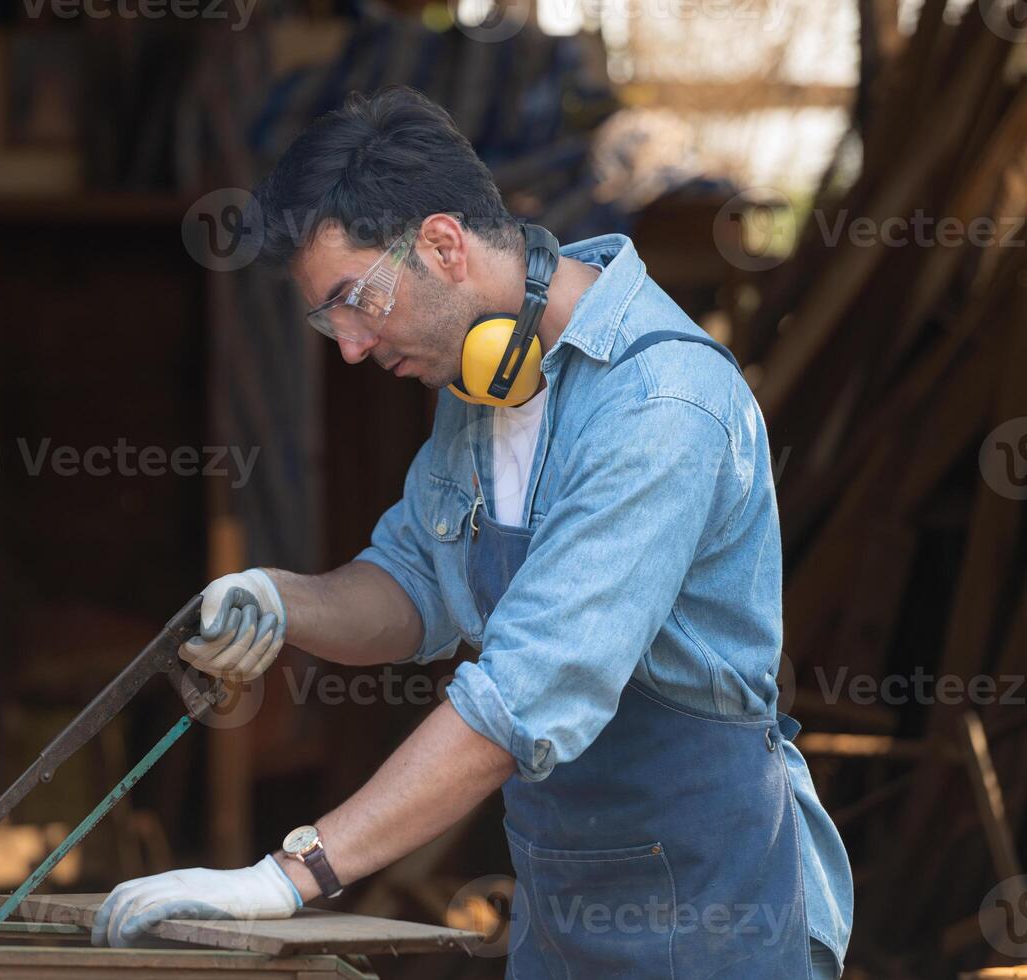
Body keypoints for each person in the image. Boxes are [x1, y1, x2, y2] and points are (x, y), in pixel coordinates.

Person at [92, 86, 852, 980]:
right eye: (326, 317)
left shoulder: (659, 406)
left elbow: (525, 695)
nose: (349, 346)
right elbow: (414, 585)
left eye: (356, 300)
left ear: (445, 244)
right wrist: (281, 600)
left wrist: (292, 874)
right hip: (561, 916)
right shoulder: (481, 384)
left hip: (712, 917)